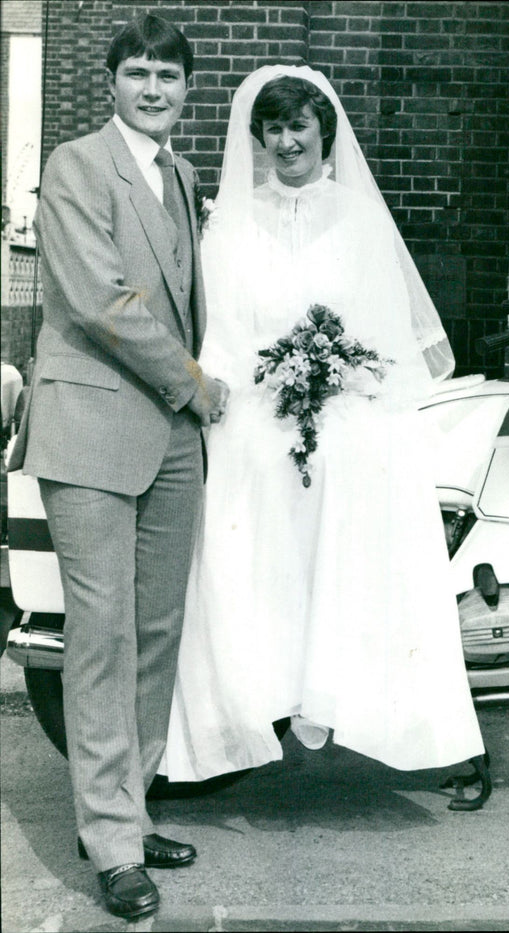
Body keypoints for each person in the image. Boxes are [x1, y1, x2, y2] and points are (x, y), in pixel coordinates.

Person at [160, 65, 488, 794]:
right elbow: (221, 334)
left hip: (344, 415)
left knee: (369, 560)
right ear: (258, 137)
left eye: (298, 126)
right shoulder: (231, 222)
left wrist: (334, 374)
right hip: (257, 416)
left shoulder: (360, 218)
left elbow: (385, 329)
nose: (285, 141)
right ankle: (232, 725)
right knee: (247, 558)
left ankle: (427, 737)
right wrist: (261, 385)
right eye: (272, 128)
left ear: (323, 132)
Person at [7, 14, 228, 922]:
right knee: (102, 638)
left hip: (172, 438)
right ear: (111, 82)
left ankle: (128, 812)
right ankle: (110, 848)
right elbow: (100, 298)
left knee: (157, 632)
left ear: (186, 89)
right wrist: (193, 383)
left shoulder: (179, 174)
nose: (152, 89)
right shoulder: (75, 165)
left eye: (167, 76)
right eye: (135, 73)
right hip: (94, 427)